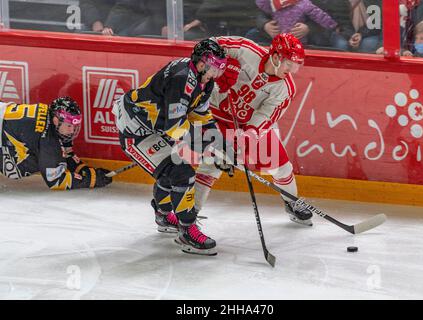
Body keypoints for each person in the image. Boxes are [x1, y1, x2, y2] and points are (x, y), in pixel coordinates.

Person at [112, 39, 228, 256]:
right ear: (202, 63)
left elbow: (201, 116)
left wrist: (220, 143)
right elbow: (175, 128)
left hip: (154, 128)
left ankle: (164, 215)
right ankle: (187, 232)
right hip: (136, 132)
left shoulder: (204, 81)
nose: (218, 72)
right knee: (181, 172)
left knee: (170, 172)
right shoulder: (181, 78)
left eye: (220, 67)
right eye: (215, 66)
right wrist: (206, 147)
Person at [194, 33, 314, 227]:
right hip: (216, 115)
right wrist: (219, 65)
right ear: (275, 56)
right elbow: (210, 44)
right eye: (289, 64)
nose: (292, 70)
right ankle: (189, 215)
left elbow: (265, 118)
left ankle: (292, 202)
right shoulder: (246, 50)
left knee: (282, 167)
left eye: (296, 66)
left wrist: (245, 141)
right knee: (212, 164)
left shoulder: (285, 89)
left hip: (246, 125)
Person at [0, 97, 112, 189]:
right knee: (29, 163)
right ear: (56, 121)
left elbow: (64, 153)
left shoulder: (48, 113)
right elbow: (56, 181)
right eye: (69, 126)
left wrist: (83, 169)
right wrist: (92, 180)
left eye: (74, 126)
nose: (72, 130)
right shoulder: (48, 140)